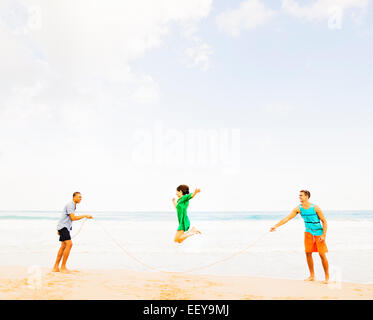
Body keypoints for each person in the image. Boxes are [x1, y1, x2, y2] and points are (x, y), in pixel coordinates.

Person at [270, 190, 329, 283]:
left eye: (301, 195)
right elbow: (287, 218)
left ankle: (327, 278)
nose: (299, 197)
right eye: (299, 195)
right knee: (308, 253)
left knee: (322, 254)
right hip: (308, 232)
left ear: (307, 196)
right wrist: (275, 226)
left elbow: (324, 221)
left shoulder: (316, 208)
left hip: (318, 233)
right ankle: (312, 276)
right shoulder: (298, 208)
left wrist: (323, 235)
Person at [52, 192, 93, 273]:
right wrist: (85, 215)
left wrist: (58, 228)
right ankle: (63, 267)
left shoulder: (73, 205)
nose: (80, 199)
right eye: (79, 197)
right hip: (63, 227)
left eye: (81, 197)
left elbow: (65, 217)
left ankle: (55, 267)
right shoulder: (70, 205)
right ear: (74, 197)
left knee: (63, 246)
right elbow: (73, 218)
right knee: (69, 244)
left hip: (63, 227)